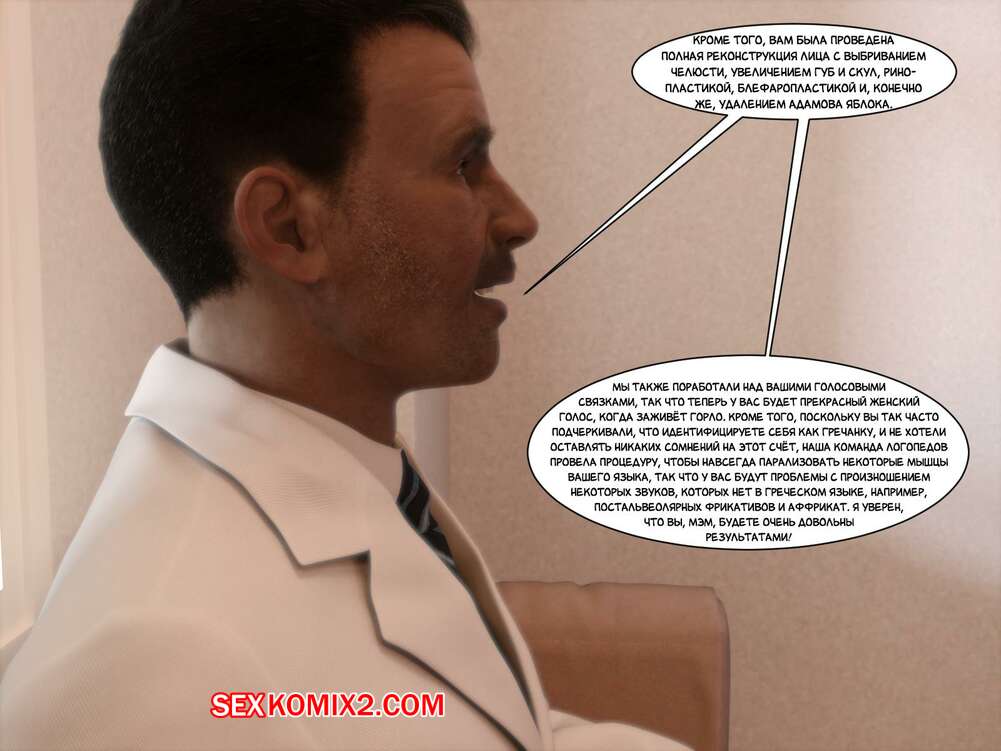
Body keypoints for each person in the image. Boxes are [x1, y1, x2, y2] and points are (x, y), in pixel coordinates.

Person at [0, 2, 689, 749]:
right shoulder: (152, 672)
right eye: (463, 164)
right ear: (288, 226)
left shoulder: (345, 465)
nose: (519, 217)